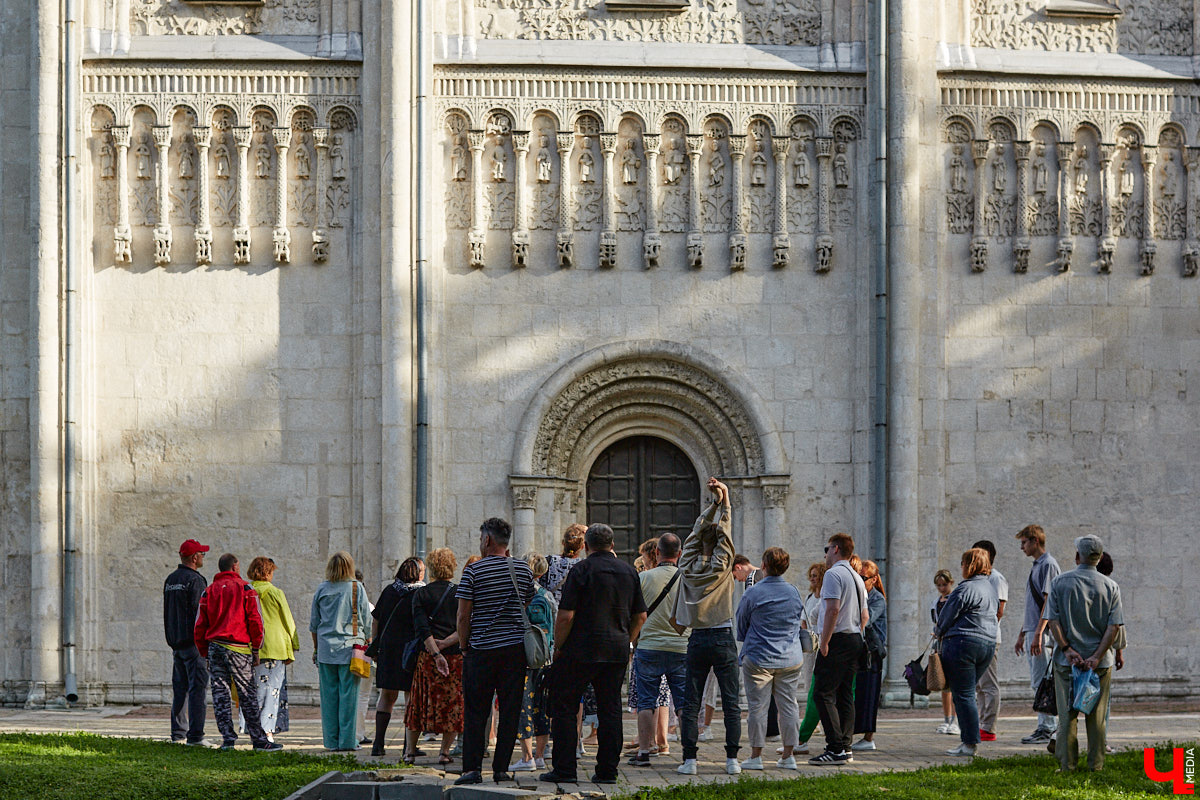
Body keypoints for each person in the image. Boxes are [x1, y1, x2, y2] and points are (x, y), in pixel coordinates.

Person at [542, 523, 646, 785]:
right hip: (615, 650)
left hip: (580, 650)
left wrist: (558, 647)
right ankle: (608, 771)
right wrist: (628, 641)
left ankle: (565, 769)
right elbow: (641, 615)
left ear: (586, 546)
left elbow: (566, 616)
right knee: (610, 709)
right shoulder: (628, 571)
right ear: (612, 545)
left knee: (565, 708)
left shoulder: (581, 569)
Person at [455, 517, 535, 786]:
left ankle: (472, 769)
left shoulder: (473, 572)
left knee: (476, 711)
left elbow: (463, 616)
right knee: (510, 710)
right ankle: (500, 769)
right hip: (514, 651)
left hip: (481, 650)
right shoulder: (523, 569)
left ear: (487, 540)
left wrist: (464, 646)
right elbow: (527, 602)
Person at [674, 477, 743, 776]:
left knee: (692, 702)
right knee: (730, 702)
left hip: (698, 638)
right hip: (723, 635)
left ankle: (689, 760)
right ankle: (732, 760)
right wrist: (724, 501)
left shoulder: (687, 566)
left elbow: (692, 537)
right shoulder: (722, 565)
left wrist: (712, 507)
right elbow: (725, 537)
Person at [1043, 535, 1123, 772]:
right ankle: (1096, 764)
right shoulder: (1111, 586)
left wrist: (1067, 649)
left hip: (1067, 662)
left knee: (1067, 715)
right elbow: (1114, 627)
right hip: (1099, 663)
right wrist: (1097, 655)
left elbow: (1053, 621)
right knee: (1097, 717)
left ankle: (1067, 765)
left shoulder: (1059, 582)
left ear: (1078, 555)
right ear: (1098, 558)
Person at [193, 553, 281, 752]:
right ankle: (258, 740)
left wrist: (204, 652)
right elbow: (255, 620)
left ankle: (228, 740)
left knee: (220, 694)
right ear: (234, 567)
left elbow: (199, 625)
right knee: (247, 694)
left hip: (215, 646)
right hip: (239, 649)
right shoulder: (245, 589)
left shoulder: (208, 591)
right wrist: (256, 648)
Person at [735, 546, 805, 770]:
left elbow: (741, 624)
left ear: (763, 566)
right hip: (789, 657)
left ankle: (756, 756)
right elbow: (797, 620)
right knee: (789, 706)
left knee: (757, 707)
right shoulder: (793, 591)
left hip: (759, 657)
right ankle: (788, 755)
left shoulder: (753, 592)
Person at [628, 533, 688, 767]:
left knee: (646, 701)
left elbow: (636, 613)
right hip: (681, 647)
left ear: (658, 553)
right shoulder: (687, 579)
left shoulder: (644, 578)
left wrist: (632, 641)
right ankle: (688, 754)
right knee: (683, 703)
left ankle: (644, 751)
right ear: (680, 554)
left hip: (649, 646)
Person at [808, 532, 868, 766]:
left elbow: (832, 609)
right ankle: (845, 745)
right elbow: (865, 615)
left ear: (835, 549)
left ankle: (835, 748)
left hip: (838, 639)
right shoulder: (856, 576)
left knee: (822, 693)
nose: (824, 554)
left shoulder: (834, 574)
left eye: (827, 548)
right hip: (854, 638)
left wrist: (825, 640)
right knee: (844, 695)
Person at [934, 548, 999, 757]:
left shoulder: (965, 589)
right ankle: (970, 740)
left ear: (969, 565)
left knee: (963, 695)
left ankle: (969, 743)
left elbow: (945, 617)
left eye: (963, 563)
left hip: (963, 643)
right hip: (987, 644)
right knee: (969, 692)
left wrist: (938, 631)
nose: (961, 567)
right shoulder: (989, 588)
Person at [310, 551, 373, 751]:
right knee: (349, 697)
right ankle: (347, 741)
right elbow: (367, 619)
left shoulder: (322, 589)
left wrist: (316, 648)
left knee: (328, 698)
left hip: (326, 649)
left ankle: (331, 741)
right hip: (351, 648)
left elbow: (314, 624)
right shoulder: (356, 588)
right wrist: (369, 639)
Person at [405, 548, 463, 765]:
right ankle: (444, 753)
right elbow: (465, 625)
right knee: (453, 706)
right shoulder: (459, 592)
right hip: (454, 659)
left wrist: (435, 652)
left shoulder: (421, 594)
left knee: (418, 705)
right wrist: (446, 645)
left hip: (428, 658)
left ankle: (410, 752)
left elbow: (422, 628)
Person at [370, 556, 424, 758]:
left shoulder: (389, 591)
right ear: (417, 573)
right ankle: (408, 746)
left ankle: (378, 744)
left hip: (389, 650)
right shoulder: (420, 593)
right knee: (411, 699)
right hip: (411, 652)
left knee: (387, 696)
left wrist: (376, 644)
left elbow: (375, 620)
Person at [1014, 524, 1061, 744]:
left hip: (1041, 632)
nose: (1022, 547)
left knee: (1043, 680)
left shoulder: (1048, 565)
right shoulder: (1037, 566)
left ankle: (1048, 728)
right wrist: (1023, 633)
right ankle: (1044, 726)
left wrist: (1038, 634)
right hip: (1033, 630)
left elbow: (1048, 602)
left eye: (1024, 542)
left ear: (1034, 540)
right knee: (1038, 680)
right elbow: (1033, 605)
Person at [164, 539, 211, 746]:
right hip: (193, 644)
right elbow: (200, 613)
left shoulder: (170, 579)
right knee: (197, 689)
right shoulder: (196, 580)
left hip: (176, 642)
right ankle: (196, 736)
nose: (203, 557)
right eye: (202, 553)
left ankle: (178, 734)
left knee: (180, 689)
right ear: (194, 557)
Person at [247, 557, 299, 742]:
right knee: (272, 692)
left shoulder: (246, 591)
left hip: (252, 647)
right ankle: (267, 731)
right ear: (267, 573)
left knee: (253, 691)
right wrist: (294, 645)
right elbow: (288, 620)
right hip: (275, 648)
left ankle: (252, 728)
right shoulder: (275, 592)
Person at [513, 552, 556, 771]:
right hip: (545, 658)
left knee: (524, 706)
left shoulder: (520, 594)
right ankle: (540, 755)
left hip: (524, 658)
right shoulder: (547, 596)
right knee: (542, 706)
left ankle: (527, 757)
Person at [972, 539, 1007, 741]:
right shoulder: (982, 579)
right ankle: (981, 722)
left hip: (990, 637)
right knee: (979, 685)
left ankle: (989, 726)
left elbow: (999, 610)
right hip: (979, 638)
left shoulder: (996, 579)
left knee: (989, 684)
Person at [851, 559, 887, 752]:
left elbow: (867, 619)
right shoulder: (860, 596)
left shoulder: (876, 598)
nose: (860, 581)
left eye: (863, 578)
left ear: (873, 579)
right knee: (859, 692)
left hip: (872, 652)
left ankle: (868, 737)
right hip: (860, 650)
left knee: (870, 693)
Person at [930, 569, 957, 735]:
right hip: (939, 643)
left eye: (944, 585)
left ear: (951, 583)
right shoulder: (936, 602)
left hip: (951, 641)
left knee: (953, 684)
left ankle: (955, 719)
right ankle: (946, 719)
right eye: (939, 585)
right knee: (943, 683)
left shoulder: (954, 599)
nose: (942, 588)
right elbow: (935, 620)